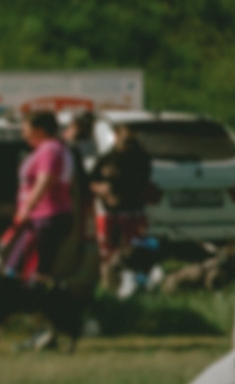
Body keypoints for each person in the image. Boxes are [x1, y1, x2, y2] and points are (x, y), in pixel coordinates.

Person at [3, 107, 93, 351]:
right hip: (42, 218)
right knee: (32, 278)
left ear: (39, 129)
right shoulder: (51, 149)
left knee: (33, 279)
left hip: (45, 217)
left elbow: (45, 182)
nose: (23, 133)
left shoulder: (50, 150)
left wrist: (25, 211)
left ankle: (58, 326)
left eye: (26, 128)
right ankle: (52, 329)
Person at [95, 119, 154, 285]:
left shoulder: (141, 158)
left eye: (131, 135)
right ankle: (110, 281)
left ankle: (139, 281)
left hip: (133, 211)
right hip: (109, 213)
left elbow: (143, 183)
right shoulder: (106, 158)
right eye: (124, 135)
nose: (127, 139)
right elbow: (92, 181)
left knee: (135, 250)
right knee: (107, 250)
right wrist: (103, 192)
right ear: (116, 135)